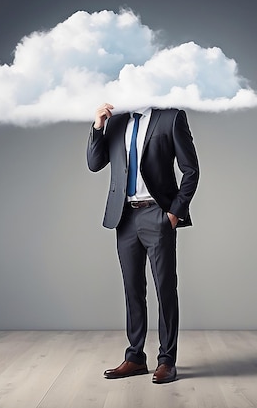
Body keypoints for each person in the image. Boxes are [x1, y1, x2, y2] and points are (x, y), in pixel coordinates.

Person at [87, 103, 199, 384]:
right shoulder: (116, 121)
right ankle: (135, 357)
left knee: (164, 288)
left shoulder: (170, 118)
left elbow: (191, 170)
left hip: (157, 213)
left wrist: (173, 213)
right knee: (132, 289)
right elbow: (94, 163)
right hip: (124, 217)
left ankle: (167, 360)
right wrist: (98, 126)